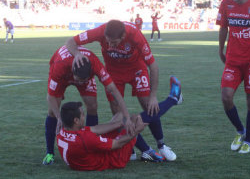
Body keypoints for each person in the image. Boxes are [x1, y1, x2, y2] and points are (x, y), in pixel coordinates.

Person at [66, 20, 181, 162]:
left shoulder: (135, 35)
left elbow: (153, 66)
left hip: (136, 69)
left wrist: (153, 96)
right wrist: (77, 53)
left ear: (123, 36)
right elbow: (71, 41)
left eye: (113, 42)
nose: (109, 45)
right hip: (113, 72)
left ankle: (161, 145)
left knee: (148, 105)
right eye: (107, 41)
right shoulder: (101, 31)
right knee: (117, 112)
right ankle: (133, 149)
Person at [57, 75, 182, 171]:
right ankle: (173, 99)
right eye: (83, 114)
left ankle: (142, 149)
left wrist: (119, 124)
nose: (85, 117)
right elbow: (117, 143)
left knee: (119, 116)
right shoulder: (85, 139)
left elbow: (94, 129)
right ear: (76, 120)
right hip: (116, 158)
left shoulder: (63, 132)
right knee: (136, 120)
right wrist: (136, 131)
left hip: (88, 154)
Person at [43, 45, 134, 165]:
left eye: (83, 81)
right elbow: (50, 97)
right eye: (78, 80)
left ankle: (91, 143)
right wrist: (59, 117)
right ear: (73, 72)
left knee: (92, 106)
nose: (80, 83)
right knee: (52, 112)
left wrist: (126, 115)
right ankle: (50, 153)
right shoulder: (59, 66)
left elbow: (113, 89)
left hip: (82, 71)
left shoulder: (95, 64)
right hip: (62, 75)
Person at [216, 0, 250, 154]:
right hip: (233, 60)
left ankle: (248, 140)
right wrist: (220, 49)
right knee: (226, 97)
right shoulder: (226, 4)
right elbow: (223, 27)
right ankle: (240, 131)